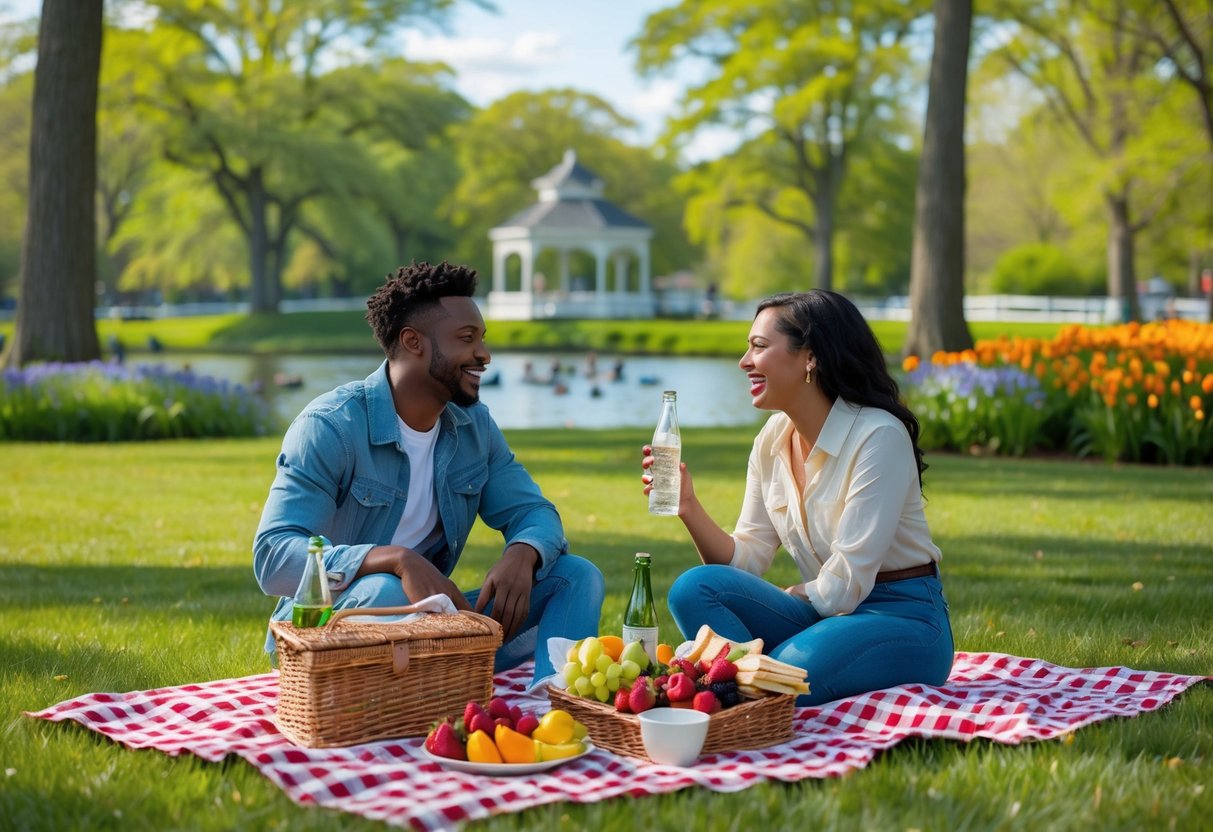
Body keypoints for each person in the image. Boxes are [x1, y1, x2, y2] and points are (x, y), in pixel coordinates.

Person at [254, 261, 604, 685]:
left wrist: (523, 553)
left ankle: (555, 700)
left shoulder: (474, 428)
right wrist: (397, 560)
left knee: (575, 575)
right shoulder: (331, 427)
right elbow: (273, 557)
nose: (484, 354)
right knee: (389, 590)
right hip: (325, 635)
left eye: (482, 339)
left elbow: (534, 512)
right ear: (413, 342)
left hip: (430, 624)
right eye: (466, 338)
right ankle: (432, 683)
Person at [641, 290, 953, 706]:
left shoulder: (878, 436)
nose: (744, 361)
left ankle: (745, 680)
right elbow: (747, 561)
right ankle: (746, 678)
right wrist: (688, 507)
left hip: (900, 615)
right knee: (693, 589)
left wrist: (791, 596)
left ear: (811, 357)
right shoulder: (772, 439)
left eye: (759, 347)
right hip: (824, 612)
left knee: (783, 676)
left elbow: (844, 586)